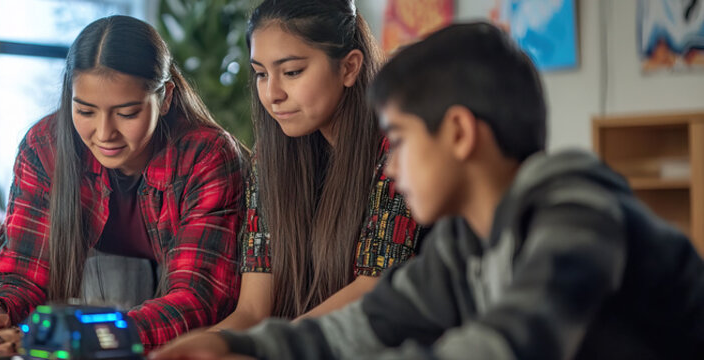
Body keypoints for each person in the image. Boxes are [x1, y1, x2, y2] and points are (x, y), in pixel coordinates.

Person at [151, 22, 704, 359]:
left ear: (460, 134)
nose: (389, 166)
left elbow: (511, 345)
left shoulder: (577, 205)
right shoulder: (464, 250)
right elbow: (360, 328)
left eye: (399, 140)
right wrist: (236, 347)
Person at [0, 15, 247, 352]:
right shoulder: (44, 147)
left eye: (127, 113)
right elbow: (23, 277)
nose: (104, 134)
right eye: (86, 112)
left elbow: (195, 301)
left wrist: (83, 336)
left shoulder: (207, 156)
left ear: (165, 99)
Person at [213, 0, 424, 331]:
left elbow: (374, 288)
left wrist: (270, 346)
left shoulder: (396, 153)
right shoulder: (268, 160)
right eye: (261, 74)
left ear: (349, 68)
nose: (272, 93)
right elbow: (253, 309)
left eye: (292, 72)